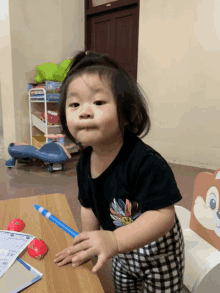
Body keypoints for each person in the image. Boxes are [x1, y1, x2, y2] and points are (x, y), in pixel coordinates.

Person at [53, 50, 185, 292]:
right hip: (121, 253)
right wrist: (89, 243)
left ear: (127, 113)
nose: (84, 111)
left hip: (157, 253)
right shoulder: (84, 162)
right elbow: (88, 206)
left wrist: (114, 239)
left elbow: (163, 216)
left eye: (98, 102)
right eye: (74, 104)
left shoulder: (146, 162)